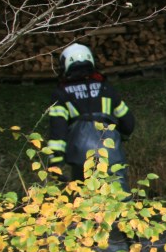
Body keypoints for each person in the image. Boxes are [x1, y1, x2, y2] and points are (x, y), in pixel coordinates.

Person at [46, 42, 135, 192]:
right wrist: (122, 137)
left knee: (86, 196)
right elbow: (128, 122)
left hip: (80, 155)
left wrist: (56, 163)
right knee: (120, 193)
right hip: (110, 151)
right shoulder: (106, 88)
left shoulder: (61, 93)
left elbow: (58, 131)